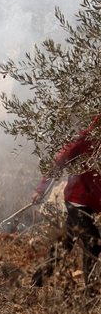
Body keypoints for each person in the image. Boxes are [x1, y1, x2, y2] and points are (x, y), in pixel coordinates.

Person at [30, 116, 101, 288]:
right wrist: (41, 189)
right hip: (78, 201)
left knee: (64, 245)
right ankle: (89, 292)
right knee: (93, 243)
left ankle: (36, 283)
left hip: (92, 202)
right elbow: (59, 162)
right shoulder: (83, 139)